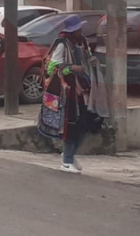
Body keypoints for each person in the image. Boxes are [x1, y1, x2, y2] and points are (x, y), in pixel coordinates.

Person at [43, 14, 92, 174]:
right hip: (68, 93)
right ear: (72, 31)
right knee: (71, 127)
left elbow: (86, 60)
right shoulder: (62, 45)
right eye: (78, 29)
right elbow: (52, 68)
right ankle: (66, 161)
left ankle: (69, 155)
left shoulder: (81, 43)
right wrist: (70, 68)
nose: (81, 31)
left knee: (84, 126)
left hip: (81, 92)